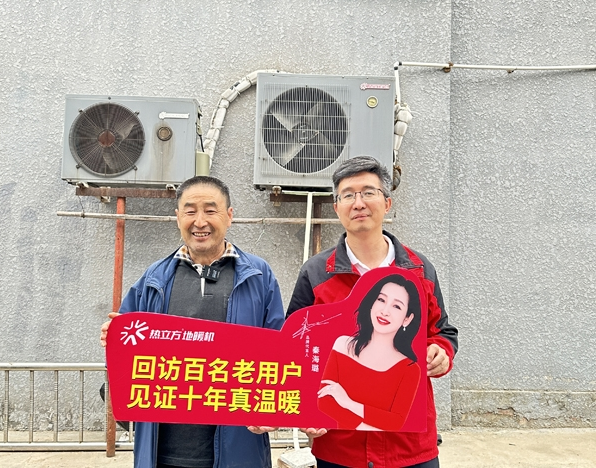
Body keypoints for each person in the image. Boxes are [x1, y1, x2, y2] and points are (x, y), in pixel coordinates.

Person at [100, 175, 284, 468]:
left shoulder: (259, 276)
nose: (200, 221)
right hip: (163, 453)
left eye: (210, 210)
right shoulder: (154, 278)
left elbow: (281, 353)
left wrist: (274, 410)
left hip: (239, 449)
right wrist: (114, 339)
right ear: (178, 217)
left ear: (229, 216)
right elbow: (124, 355)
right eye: (190, 211)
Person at [287, 156, 458, 468]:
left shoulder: (419, 270)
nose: (358, 203)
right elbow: (294, 349)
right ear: (336, 207)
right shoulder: (316, 273)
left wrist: (441, 351)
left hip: (410, 446)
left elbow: (442, 331)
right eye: (348, 195)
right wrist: (306, 411)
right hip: (340, 445)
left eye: (368, 192)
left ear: (387, 203)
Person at [317, 274, 422, 432]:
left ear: (407, 318)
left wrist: (348, 403)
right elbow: (324, 401)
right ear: (372, 303)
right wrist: (368, 423)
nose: (385, 311)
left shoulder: (409, 369)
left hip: (388, 446)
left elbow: (396, 422)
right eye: (381, 300)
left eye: (397, 306)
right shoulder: (343, 345)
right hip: (339, 444)